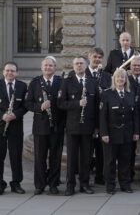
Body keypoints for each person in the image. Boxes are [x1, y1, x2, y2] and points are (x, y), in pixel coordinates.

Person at [58, 57, 99, 196]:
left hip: (88, 126)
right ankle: (70, 185)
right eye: (76, 64)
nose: (79, 66)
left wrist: (97, 126)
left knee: (86, 157)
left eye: (81, 63)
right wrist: (77, 103)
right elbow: (61, 103)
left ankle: (85, 184)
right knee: (72, 158)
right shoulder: (67, 82)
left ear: (86, 65)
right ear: (73, 66)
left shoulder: (92, 82)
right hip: (73, 126)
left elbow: (96, 106)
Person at [25, 56, 65, 195]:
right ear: (42, 67)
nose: (48, 68)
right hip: (40, 127)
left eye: (51, 66)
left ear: (55, 68)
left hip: (57, 126)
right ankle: (40, 185)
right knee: (40, 157)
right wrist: (40, 106)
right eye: (45, 66)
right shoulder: (35, 83)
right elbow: (28, 103)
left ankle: (53, 184)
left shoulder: (61, 82)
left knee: (56, 157)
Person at [99, 68, 139, 194]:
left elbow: (135, 116)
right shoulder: (106, 94)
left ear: (126, 80)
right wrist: (104, 133)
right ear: (114, 79)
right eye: (118, 77)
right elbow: (102, 116)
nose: (120, 79)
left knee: (125, 160)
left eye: (122, 77)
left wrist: (136, 132)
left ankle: (125, 184)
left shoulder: (130, 94)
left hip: (127, 134)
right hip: (111, 134)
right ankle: (110, 185)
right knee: (110, 161)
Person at [0, 62, 28, 195]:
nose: (10, 73)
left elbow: (25, 106)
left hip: (16, 126)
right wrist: (3, 116)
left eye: (12, 71)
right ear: (3, 72)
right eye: (7, 70)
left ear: (17, 73)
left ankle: (16, 183)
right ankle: (0, 183)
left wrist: (15, 115)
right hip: (0, 126)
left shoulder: (22, 86)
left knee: (15, 156)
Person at [86, 47, 112, 186]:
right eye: (95, 57)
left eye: (100, 57)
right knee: (86, 151)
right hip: (87, 118)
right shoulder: (82, 73)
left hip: (102, 119)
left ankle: (100, 177)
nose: (97, 59)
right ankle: (85, 178)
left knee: (102, 151)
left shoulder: (107, 76)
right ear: (89, 57)